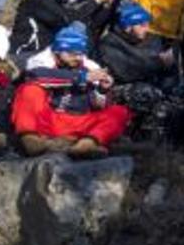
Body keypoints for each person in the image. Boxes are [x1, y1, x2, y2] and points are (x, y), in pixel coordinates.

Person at [12, 22, 131, 158]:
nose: (78, 58)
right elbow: (35, 76)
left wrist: (102, 90)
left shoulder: (90, 67)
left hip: (78, 122)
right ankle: (30, 139)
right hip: (48, 119)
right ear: (59, 51)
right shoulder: (41, 61)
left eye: (81, 54)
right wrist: (79, 78)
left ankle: (87, 144)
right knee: (29, 89)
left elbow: (98, 106)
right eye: (73, 54)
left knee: (119, 112)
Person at [97, 1, 184, 143]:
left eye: (147, 24)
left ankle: (169, 139)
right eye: (141, 25)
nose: (146, 29)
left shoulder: (152, 39)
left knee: (183, 87)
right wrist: (158, 63)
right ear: (127, 27)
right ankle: (142, 138)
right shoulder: (109, 43)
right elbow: (125, 72)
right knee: (148, 92)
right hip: (121, 88)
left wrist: (169, 65)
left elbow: (163, 66)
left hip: (153, 82)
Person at [10, 0, 116, 58]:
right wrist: (96, 0)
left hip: (51, 53)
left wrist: (105, 6)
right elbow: (65, 19)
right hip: (28, 53)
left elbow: (89, 23)